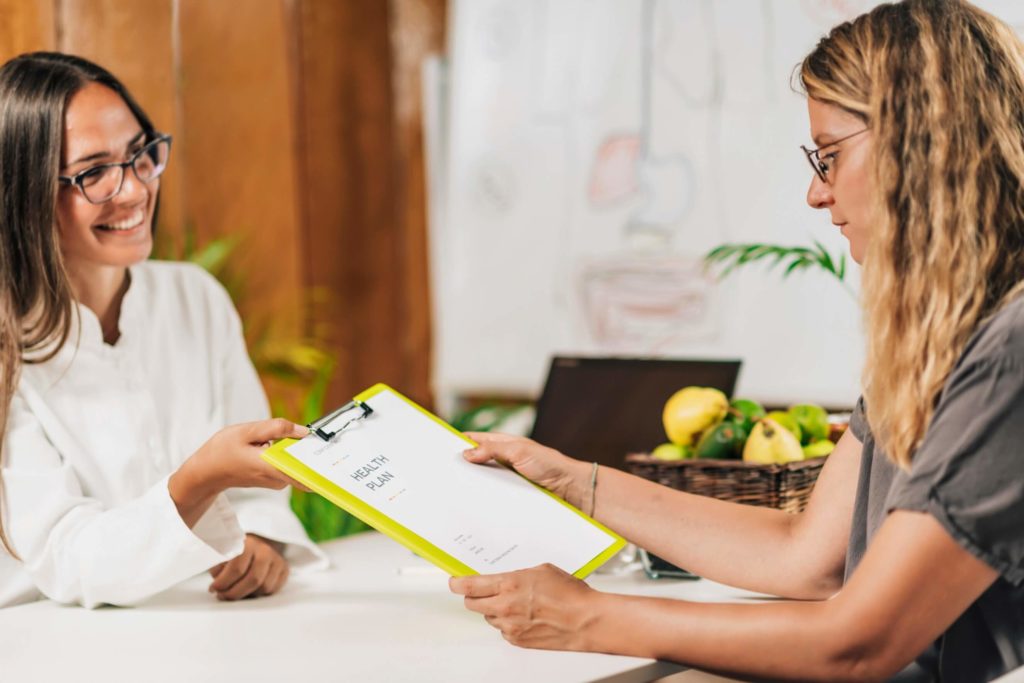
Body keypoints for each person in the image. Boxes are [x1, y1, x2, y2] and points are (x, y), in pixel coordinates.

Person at [449, 1, 1024, 680]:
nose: (817, 192)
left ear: (919, 141)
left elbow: (860, 643)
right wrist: (575, 481)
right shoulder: (944, 341)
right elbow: (805, 554)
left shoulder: (1009, 355)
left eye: (830, 156)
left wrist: (588, 616)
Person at [0, 52, 325, 609]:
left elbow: (258, 493)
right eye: (94, 172)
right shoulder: (10, 349)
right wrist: (200, 477)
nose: (133, 190)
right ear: (25, 193)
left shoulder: (193, 297)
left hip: (204, 627)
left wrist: (263, 541)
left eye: (140, 155)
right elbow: (72, 561)